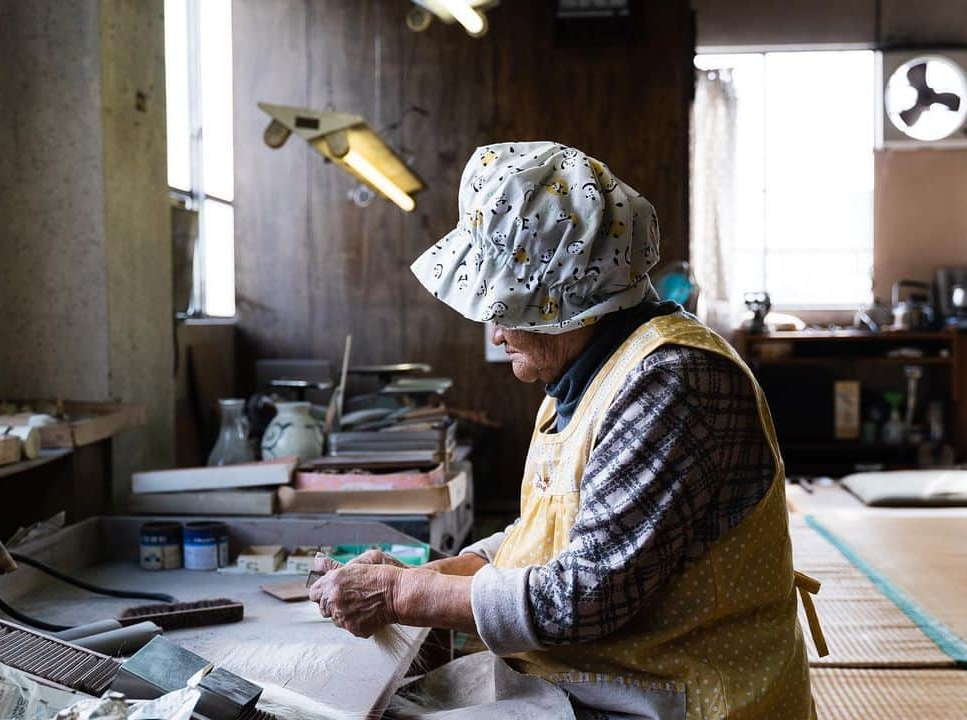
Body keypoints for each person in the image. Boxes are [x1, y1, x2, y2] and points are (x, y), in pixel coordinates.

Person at [308, 141, 822, 719]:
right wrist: (421, 575)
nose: (494, 331)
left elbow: (583, 596)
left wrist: (402, 596)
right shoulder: (588, 376)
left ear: (562, 301)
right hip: (612, 685)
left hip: (687, 700)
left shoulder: (674, 383)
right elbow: (543, 537)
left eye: (501, 307)